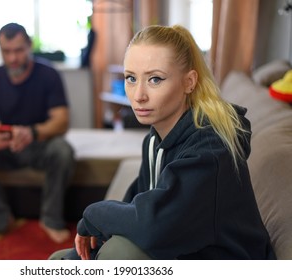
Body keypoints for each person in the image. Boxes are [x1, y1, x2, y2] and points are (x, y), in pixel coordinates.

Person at [49, 25, 276, 259]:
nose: (138, 95)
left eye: (155, 79)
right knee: (61, 261)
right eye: (131, 78)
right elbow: (136, 202)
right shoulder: (154, 140)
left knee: (119, 252)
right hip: (182, 250)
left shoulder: (210, 149)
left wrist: (92, 214)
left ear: (189, 82)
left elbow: (153, 226)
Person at [0, 23, 75, 243]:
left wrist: (32, 132)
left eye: (19, 50)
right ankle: (0, 219)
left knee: (63, 150)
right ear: (0, 49)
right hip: (5, 148)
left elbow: (62, 121)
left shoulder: (49, 74)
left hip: (39, 144)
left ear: (29, 46)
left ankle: (51, 219)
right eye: (6, 51)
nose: (12, 58)